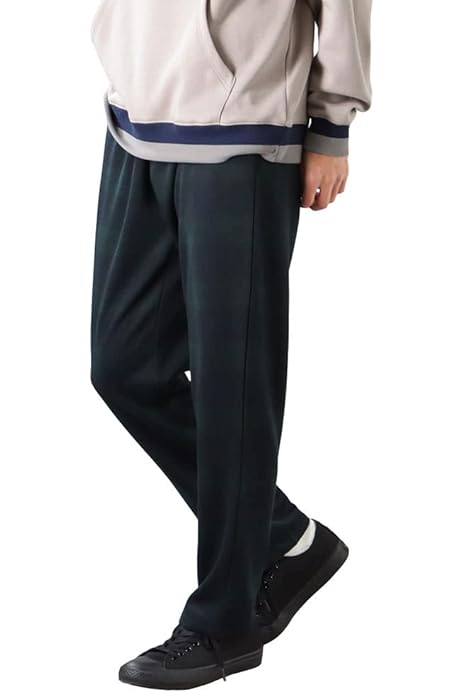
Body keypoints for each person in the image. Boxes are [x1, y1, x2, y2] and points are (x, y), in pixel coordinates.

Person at [89, 0, 372, 688]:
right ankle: (285, 538)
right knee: (123, 366)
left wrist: (331, 126)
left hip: (242, 128)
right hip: (135, 117)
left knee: (232, 387)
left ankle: (226, 621)